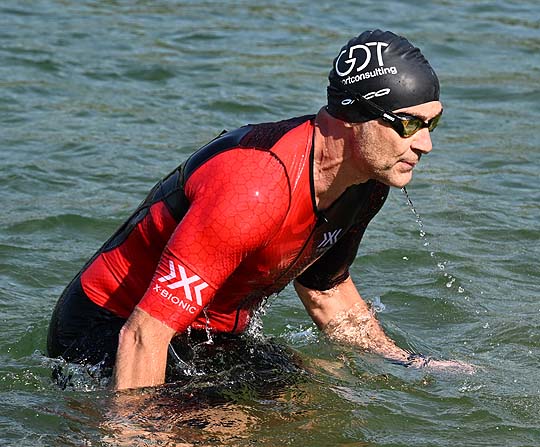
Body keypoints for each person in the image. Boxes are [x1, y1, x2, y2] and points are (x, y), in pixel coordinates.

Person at [48, 29, 444, 391]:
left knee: (311, 407)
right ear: (354, 116)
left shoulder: (367, 181)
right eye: (409, 125)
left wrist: (410, 364)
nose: (425, 144)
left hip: (208, 337)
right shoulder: (255, 188)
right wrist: (135, 439)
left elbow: (325, 290)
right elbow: (143, 334)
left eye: (433, 123)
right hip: (108, 329)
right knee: (223, 437)